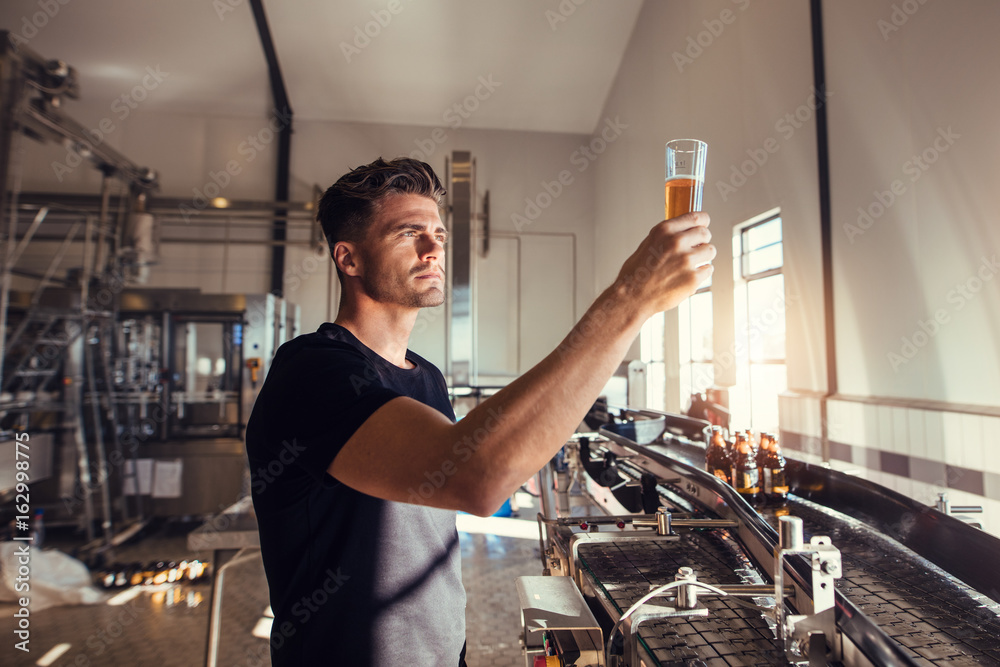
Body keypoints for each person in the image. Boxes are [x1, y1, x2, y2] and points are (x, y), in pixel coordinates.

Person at [245, 157, 715, 666]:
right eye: (408, 233)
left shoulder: (426, 378)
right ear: (349, 259)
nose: (434, 248)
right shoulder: (311, 372)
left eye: (439, 233)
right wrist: (631, 298)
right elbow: (476, 477)